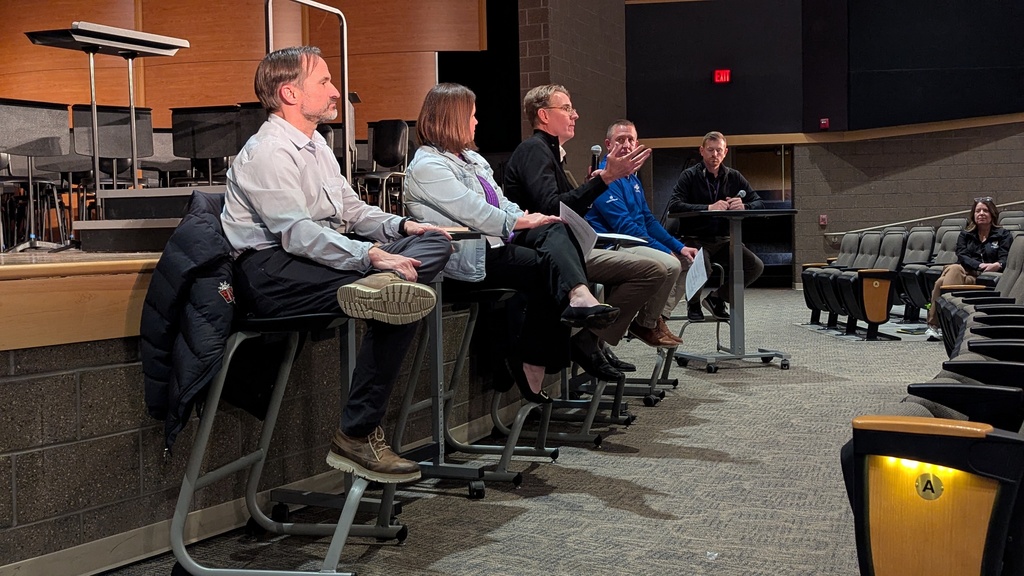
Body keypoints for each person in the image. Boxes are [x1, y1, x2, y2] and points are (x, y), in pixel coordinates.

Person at [221, 46, 454, 484]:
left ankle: (378, 286)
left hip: (323, 259)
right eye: (324, 82)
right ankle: (357, 433)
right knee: (401, 292)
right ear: (290, 93)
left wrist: (401, 225)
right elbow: (296, 233)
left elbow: (353, 210)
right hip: (271, 271)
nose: (335, 92)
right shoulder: (268, 151)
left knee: (434, 245)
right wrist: (369, 255)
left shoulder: (318, 147)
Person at [404, 83, 621, 402]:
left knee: (554, 230)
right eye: (472, 115)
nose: (476, 122)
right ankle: (539, 351)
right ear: (452, 119)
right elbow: (475, 211)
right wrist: (522, 221)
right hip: (464, 255)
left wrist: (529, 217)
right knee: (548, 264)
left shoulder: (471, 159)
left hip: (495, 243)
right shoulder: (427, 166)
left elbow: (501, 201)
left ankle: (575, 302)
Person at [504, 84, 677, 379]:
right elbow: (551, 209)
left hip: (570, 246)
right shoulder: (534, 149)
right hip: (550, 252)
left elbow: (566, 209)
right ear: (544, 115)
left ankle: (591, 340)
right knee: (654, 270)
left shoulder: (551, 152)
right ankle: (590, 341)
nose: (575, 115)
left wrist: (592, 186)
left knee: (659, 268)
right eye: (567, 109)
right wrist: (603, 181)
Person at [586, 120, 698, 341]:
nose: (626, 145)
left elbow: (647, 220)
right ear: (608, 145)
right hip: (614, 244)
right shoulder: (604, 176)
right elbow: (625, 227)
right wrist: (664, 250)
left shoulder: (632, 177)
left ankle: (657, 319)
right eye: (620, 140)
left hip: (634, 241)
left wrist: (679, 247)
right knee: (671, 264)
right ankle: (645, 324)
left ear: (637, 144)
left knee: (687, 260)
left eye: (631, 140)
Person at [668, 131, 765, 321]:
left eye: (719, 150)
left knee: (755, 266)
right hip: (695, 239)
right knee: (701, 264)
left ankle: (717, 298)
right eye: (710, 150)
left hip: (725, 240)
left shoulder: (734, 176)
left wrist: (744, 206)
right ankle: (693, 303)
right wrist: (708, 207)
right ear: (702, 151)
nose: (715, 155)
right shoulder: (689, 176)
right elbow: (674, 205)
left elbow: (759, 203)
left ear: (725, 152)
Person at [926, 197, 1012, 340]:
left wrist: (998, 265)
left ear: (992, 214)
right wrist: (979, 265)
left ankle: (936, 325)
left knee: (941, 283)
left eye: (985, 210)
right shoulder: (966, 235)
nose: (981, 214)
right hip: (967, 272)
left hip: (987, 277)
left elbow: (1006, 257)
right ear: (973, 215)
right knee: (955, 269)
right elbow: (962, 255)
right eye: (978, 211)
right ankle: (947, 324)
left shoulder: (1003, 235)